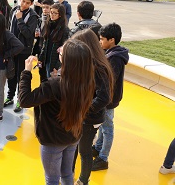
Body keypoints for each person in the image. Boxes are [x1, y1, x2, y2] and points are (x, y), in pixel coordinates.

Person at [19, 39, 95, 185]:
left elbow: (25, 100)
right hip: (74, 135)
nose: (59, 51)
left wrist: (26, 72)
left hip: (53, 140)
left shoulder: (54, 85)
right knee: (67, 174)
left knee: (52, 179)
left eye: (62, 51)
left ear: (68, 60)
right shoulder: (87, 81)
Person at [71, 29, 114, 185]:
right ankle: (69, 175)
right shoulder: (88, 63)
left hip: (90, 118)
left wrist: (84, 111)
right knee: (74, 147)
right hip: (82, 115)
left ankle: (83, 180)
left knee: (84, 150)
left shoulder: (99, 67)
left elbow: (104, 97)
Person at [92, 22, 129, 171]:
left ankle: (103, 158)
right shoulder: (110, 53)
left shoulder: (115, 58)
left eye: (102, 39)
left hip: (108, 99)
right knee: (103, 124)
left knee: (107, 127)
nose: (100, 42)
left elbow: (107, 80)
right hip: (105, 98)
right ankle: (98, 147)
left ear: (111, 40)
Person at [5, 0, 38, 113]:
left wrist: (20, 20)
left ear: (31, 4)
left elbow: (29, 34)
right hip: (11, 49)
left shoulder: (32, 16)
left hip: (23, 50)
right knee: (11, 74)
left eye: (27, 3)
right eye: (23, 1)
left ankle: (20, 99)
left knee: (20, 75)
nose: (24, 5)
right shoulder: (14, 10)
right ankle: (9, 96)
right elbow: (9, 28)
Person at [37, 3, 69, 81]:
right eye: (51, 12)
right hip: (46, 60)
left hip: (54, 62)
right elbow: (45, 44)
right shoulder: (48, 25)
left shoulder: (64, 30)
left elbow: (64, 49)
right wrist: (40, 58)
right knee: (43, 82)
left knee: (52, 85)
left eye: (55, 13)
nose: (52, 15)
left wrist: (57, 66)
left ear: (60, 15)